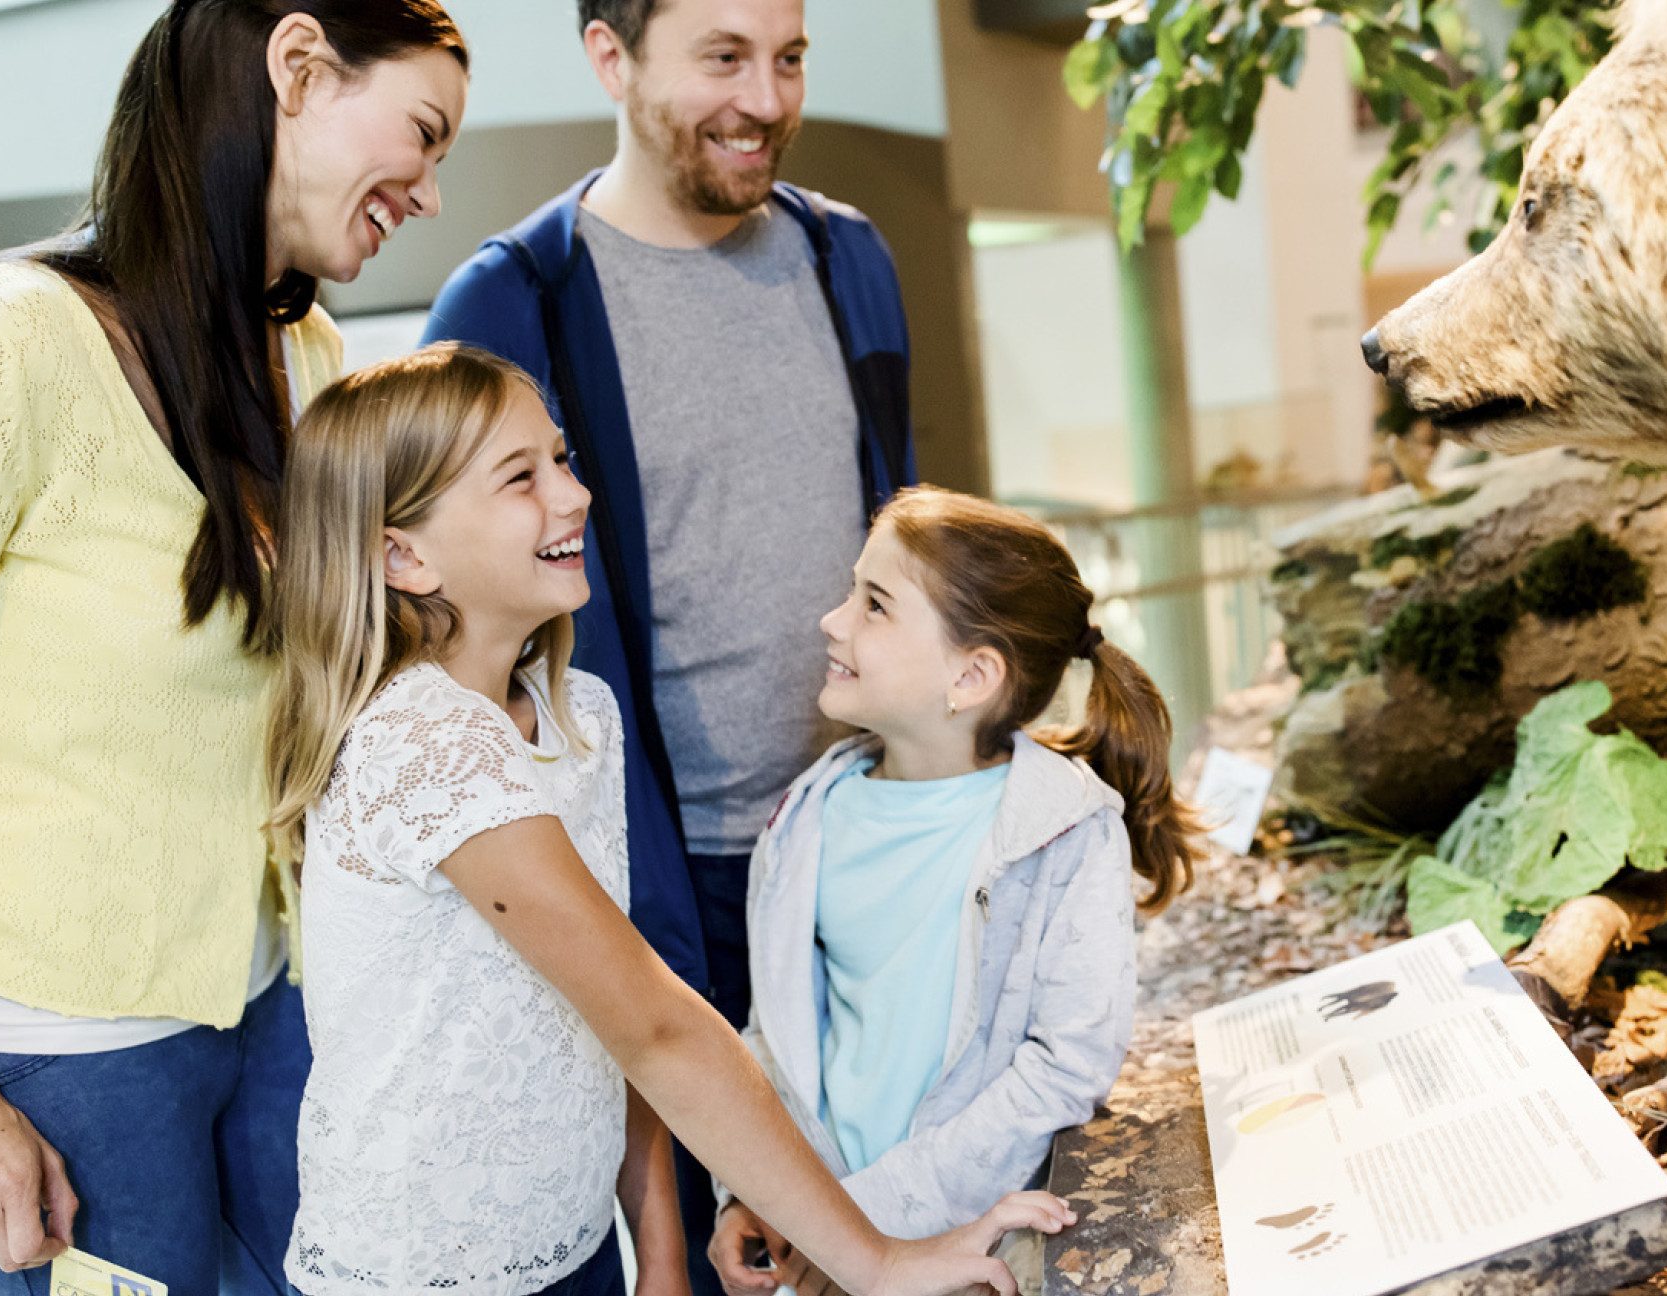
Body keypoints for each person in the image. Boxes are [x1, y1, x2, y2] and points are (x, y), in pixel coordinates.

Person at [0, 4, 467, 1291]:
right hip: (57, 1054)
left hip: (275, 1011)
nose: (427, 192)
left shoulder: (302, 353)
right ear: (297, 68)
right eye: (420, 135)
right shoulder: (5, 345)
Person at [266, 345, 1068, 1296]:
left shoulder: (578, 716)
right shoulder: (423, 745)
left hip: (573, 1248)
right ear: (404, 554)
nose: (575, 498)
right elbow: (659, 1027)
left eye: (560, 460)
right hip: (421, 1275)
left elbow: (613, 1010)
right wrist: (881, 1262)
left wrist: (660, 1252)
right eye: (520, 478)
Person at [417, 2, 916, 1285]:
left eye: (790, 55)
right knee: (714, 1246)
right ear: (609, 57)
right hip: (663, 884)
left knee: (896, 1211)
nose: (765, 96)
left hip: (866, 841)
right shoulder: (516, 299)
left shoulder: (847, 257)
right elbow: (452, 632)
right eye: (721, 58)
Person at [707, 488, 1203, 1296]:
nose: (833, 621)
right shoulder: (804, 818)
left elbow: (1066, 1066)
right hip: (820, 1239)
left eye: (875, 605)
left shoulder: (1068, 833)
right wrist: (754, 1198)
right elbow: (775, 1041)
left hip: (973, 1253)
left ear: (970, 676)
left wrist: (863, 1228)